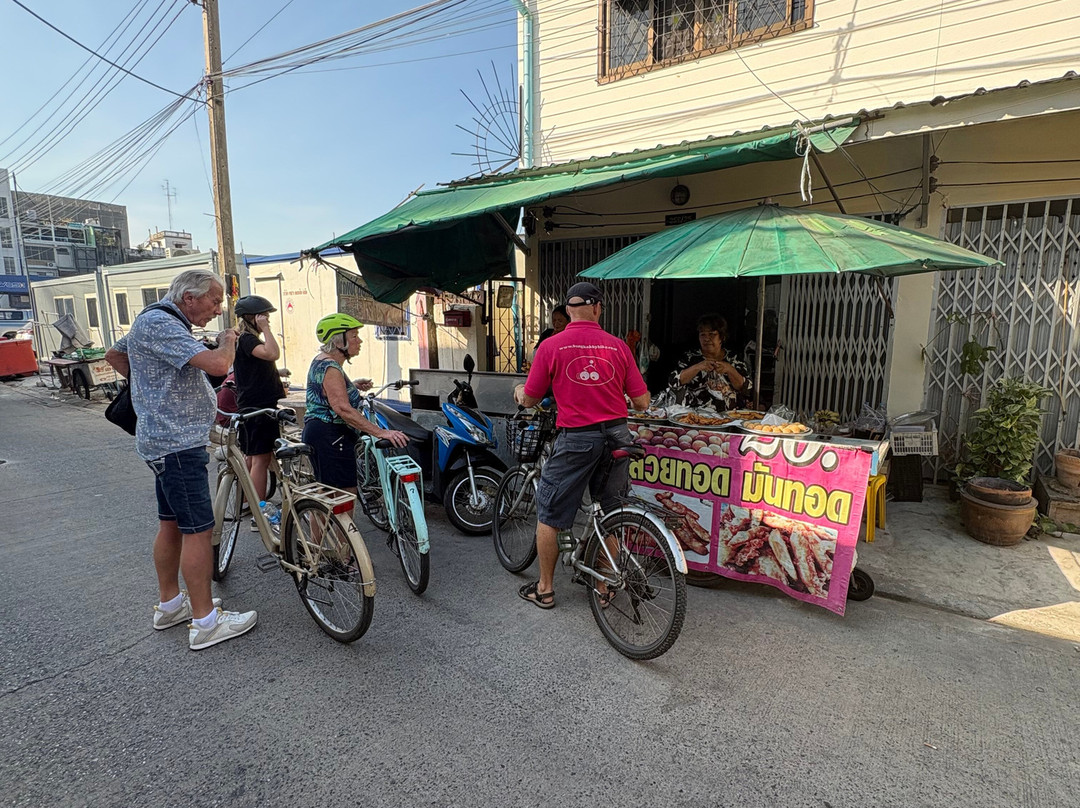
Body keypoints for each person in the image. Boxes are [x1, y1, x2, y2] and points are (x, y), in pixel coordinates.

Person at [105, 268, 258, 651]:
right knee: (198, 530)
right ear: (189, 297)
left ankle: (172, 605)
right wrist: (226, 342)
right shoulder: (161, 323)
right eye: (214, 301)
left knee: (171, 524)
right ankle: (205, 621)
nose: (217, 309)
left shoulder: (157, 320)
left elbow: (116, 353)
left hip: (164, 442)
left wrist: (151, 387)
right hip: (177, 445)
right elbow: (220, 366)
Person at [513, 281, 650, 609]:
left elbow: (531, 398)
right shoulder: (619, 347)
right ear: (599, 309)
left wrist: (518, 391)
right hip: (618, 436)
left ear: (567, 311)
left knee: (551, 512)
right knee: (613, 510)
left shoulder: (551, 346)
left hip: (577, 438)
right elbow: (643, 402)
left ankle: (545, 589)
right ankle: (604, 586)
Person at [301, 313, 408, 494]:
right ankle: (339, 524)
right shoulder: (331, 368)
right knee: (343, 495)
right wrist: (380, 432)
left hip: (322, 433)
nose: (359, 341)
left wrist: (352, 386)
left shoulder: (323, 361)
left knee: (325, 495)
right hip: (331, 435)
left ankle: (324, 522)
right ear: (338, 342)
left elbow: (325, 392)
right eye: (354, 336)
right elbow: (342, 408)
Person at [232, 295, 283, 505]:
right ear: (253, 317)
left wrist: (276, 373)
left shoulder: (244, 340)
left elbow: (255, 365)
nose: (268, 321)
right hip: (259, 408)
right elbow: (272, 353)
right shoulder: (247, 338)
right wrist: (266, 329)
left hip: (251, 405)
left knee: (252, 457)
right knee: (262, 458)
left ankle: (247, 503)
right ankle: (258, 511)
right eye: (264, 317)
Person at [667, 313, 751, 412]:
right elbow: (673, 381)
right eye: (702, 334)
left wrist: (729, 369)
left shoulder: (734, 359)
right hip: (694, 416)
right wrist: (698, 367)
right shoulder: (690, 358)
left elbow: (746, 388)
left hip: (729, 416)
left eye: (712, 334)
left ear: (722, 337)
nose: (706, 339)